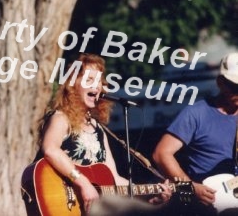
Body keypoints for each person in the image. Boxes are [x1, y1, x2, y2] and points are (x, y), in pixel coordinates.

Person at [24, 53, 171, 216]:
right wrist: (83, 183)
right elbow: (50, 149)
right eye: (89, 80)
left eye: (99, 81)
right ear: (72, 85)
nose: (96, 86)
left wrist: (149, 194)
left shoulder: (98, 128)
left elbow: (113, 179)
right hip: (66, 202)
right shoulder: (61, 118)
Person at [153, 52, 238, 216]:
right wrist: (191, 187)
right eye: (236, 86)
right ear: (221, 83)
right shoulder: (197, 113)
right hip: (210, 202)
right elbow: (161, 154)